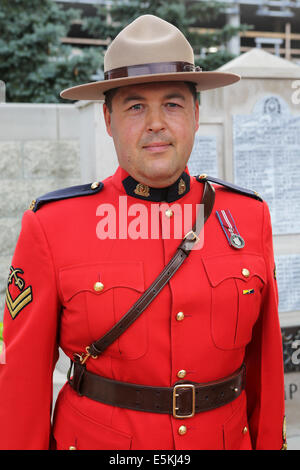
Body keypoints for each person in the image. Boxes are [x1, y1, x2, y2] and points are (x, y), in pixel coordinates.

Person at [0, 14, 286, 450]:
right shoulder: (52, 226)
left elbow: (265, 369)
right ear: (108, 119)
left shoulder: (247, 218)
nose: (156, 122)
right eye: (135, 106)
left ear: (195, 113)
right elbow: (22, 382)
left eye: (172, 103)